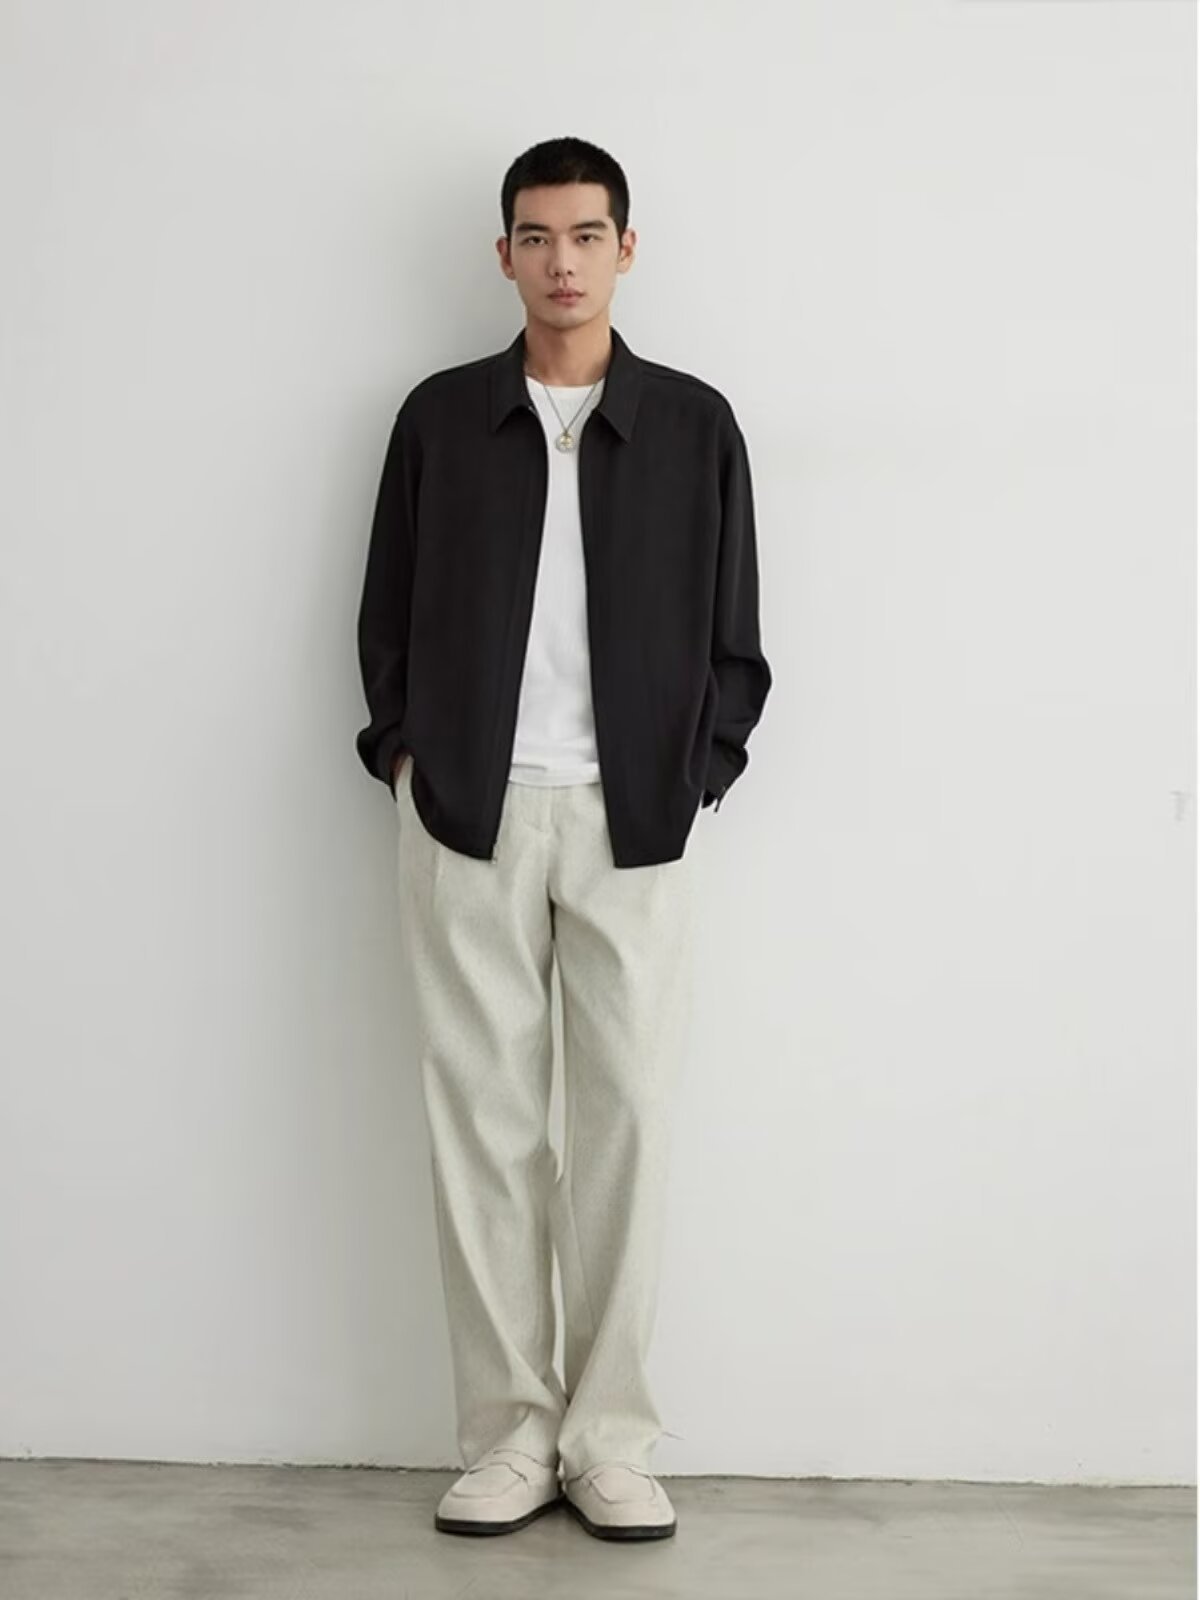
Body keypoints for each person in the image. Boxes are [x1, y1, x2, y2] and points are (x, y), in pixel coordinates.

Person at [354, 136, 771, 1542]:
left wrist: (699, 770)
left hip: (635, 818)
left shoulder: (694, 426)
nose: (563, 261)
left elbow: (737, 633)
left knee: (626, 1127)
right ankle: (507, 1437)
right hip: (468, 814)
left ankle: (609, 1440)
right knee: (480, 1124)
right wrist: (407, 756)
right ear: (505, 255)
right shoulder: (440, 420)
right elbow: (387, 612)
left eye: (587, 235)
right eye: (536, 237)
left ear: (626, 249)